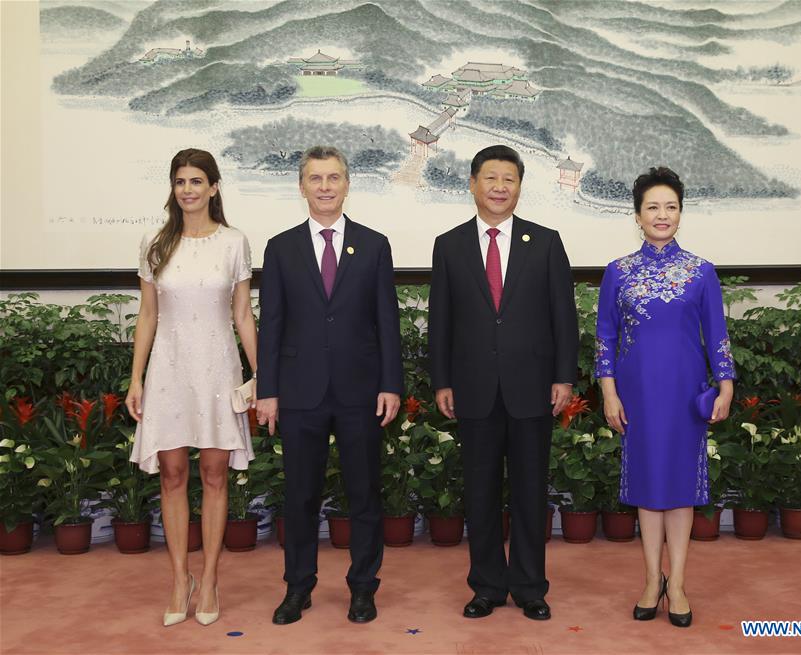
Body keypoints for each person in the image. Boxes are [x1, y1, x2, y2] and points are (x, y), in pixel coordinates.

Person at [428, 144, 578, 621]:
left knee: (531, 493)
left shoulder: (546, 242)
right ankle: (488, 585)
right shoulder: (449, 245)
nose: (499, 187)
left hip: (532, 387)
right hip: (473, 388)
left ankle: (531, 586)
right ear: (472, 184)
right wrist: (442, 381)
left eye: (508, 179)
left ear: (519, 187)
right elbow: (441, 321)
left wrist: (563, 377)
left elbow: (564, 319)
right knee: (481, 491)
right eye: (490, 178)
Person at [255, 145, 403, 625]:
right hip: (298, 393)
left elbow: (387, 321)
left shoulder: (374, 244)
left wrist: (390, 384)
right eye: (315, 178)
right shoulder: (281, 247)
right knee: (299, 496)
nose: (324, 186)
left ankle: (363, 587)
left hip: (361, 391)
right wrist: (267, 391)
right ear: (301, 186)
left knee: (364, 494)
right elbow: (271, 324)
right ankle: (298, 587)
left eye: (333, 177)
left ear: (346, 184)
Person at [594, 166, 735, 628]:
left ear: (680, 213)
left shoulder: (701, 271)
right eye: (652, 207)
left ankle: (677, 584)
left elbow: (717, 334)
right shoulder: (618, 272)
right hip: (636, 396)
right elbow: (605, 339)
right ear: (637, 215)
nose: (662, 215)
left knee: (680, 491)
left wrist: (726, 384)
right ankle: (651, 580)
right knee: (647, 488)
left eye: (670, 207)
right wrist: (608, 393)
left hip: (684, 394)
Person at [126, 148, 257, 627]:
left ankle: (211, 577)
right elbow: (147, 315)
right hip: (169, 370)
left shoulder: (234, 242)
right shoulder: (154, 243)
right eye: (180, 181)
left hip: (218, 370)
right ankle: (180, 578)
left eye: (197, 181)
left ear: (214, 187)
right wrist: (136, 377)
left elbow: (242, 314)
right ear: (173, 188)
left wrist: (260, 375)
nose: (188, 190)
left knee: (215, 474)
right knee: (173, 473)